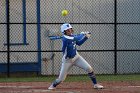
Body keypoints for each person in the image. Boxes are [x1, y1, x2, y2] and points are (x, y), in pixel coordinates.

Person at [48, 23, 103, 90]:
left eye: (70, 29)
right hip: (67, 60)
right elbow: (78, 37)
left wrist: (86, 37)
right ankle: (53, 85)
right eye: (68, 30)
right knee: (61, 79)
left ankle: (95, 84)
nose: (70, 31)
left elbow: (79, 43)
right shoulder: (66, 38)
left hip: (76, 57)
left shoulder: (71, 36)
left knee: (89, 68)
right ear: (64, 32)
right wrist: (82, 34)